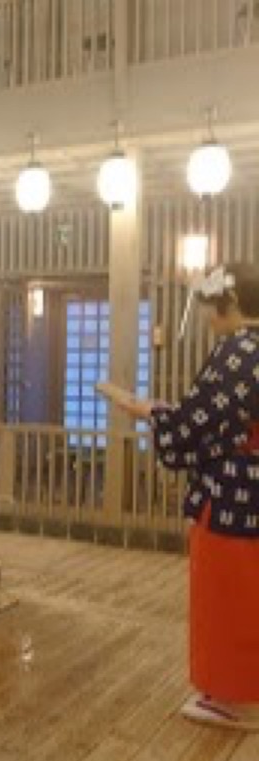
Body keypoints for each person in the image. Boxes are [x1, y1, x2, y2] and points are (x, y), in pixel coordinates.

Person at [103, 262, 259, 731]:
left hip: (235, 492)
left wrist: (150, 413)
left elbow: (199, 424)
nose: (210, 319)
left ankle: (233, 696)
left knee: (229, 592)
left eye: (213, 308)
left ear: (231, 305)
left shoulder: (240, 352)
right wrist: (164, 412)